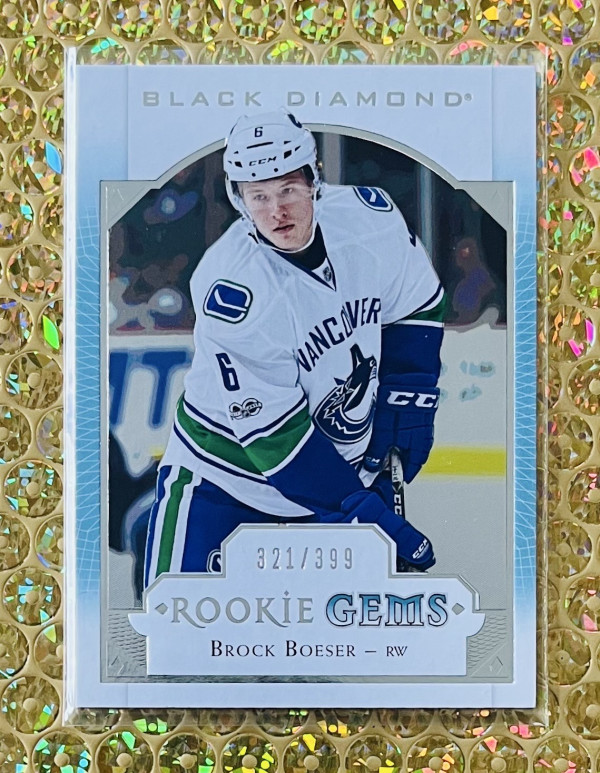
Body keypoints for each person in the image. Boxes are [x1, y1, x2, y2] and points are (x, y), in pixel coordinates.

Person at [144, 109, 445, 586]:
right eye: (258, 196)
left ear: (313, 180)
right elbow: (275, 439)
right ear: (239, 199)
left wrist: (410, 393)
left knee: (346, 635)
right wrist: (353, 506)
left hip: (341, 473)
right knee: (175, 624)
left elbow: (416, 304)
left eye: (287, 190)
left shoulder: (370, 220)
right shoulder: (233, 289)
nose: (275, 212)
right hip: (224, 481)